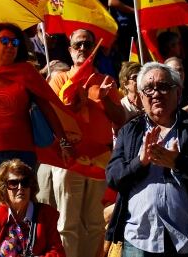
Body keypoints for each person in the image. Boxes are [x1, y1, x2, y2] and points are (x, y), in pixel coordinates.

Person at [0, 23, 74, 257]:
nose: (11, 46)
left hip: (21, 153)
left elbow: (47, 108)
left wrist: (64, 142)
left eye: (15, 42)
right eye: (5, 41)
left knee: (21, 215)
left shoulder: (27, 73)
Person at [106, 62, 188, 256]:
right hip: (139, 239)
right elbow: (112, 177)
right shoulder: (130, 130)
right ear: (141, 96)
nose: (156, 94)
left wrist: (179, 162)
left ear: (177, 93)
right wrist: (140, 162)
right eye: (149, 89)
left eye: (163, 87)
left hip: (186, 237)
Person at [47, 29, 125, 257]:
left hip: (99, 161)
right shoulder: (59, 79)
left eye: (87, 44)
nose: (83, 49)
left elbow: (120, 118)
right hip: (68, 160)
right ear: (70, 50)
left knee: (95, 225)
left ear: (94, 49)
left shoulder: (106, 81)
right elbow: (53, 116)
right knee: (67, 225)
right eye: (78, 44)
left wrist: (103, 101)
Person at [0, 159, 65, 257]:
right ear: (4, 188)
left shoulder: (47, 214)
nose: (20, 187)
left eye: (25, 182)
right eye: (13, 183)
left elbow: (58, 253)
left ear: (31, 187)